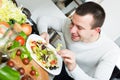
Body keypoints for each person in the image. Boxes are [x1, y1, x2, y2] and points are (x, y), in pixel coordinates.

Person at [37, 2, 120, 80]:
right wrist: (43, 32)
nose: (72, 30)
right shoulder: (69, 25)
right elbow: (43, 19)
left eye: (80, 28)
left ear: (96, 30)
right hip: (64, 69)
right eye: (72, 23)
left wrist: (73, 67)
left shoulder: (111, 51)